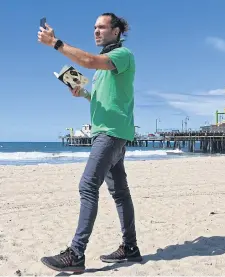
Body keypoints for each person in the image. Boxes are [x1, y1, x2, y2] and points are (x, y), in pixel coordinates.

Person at [37, 12, 142, 273]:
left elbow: (89, 60)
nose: (96, 31)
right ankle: (130, 248)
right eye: (94, 27)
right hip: (109, 131)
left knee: (87, 186)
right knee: (119, 193)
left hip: (110, 133)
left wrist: (56, 43)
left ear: (116, 31)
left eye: (102, 27)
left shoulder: (121, 55)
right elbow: (101, 98)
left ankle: (76, 253)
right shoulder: (104, 69)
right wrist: (81, 91)